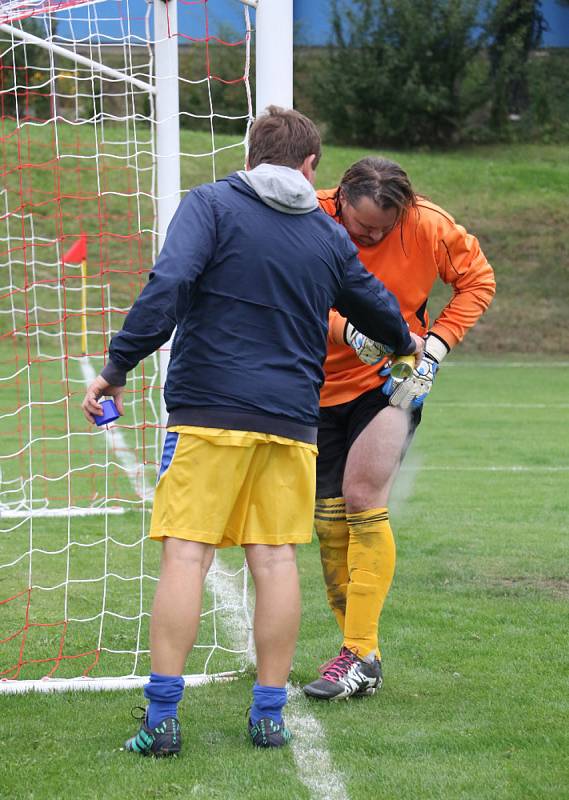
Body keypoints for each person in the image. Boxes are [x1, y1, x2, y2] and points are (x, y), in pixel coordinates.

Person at [81, 112, 423, 755]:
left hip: (208, 414)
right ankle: (268, 715)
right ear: (309, 166)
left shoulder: (209, 204)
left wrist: (117, 366)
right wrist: (407, 344)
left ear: (252, 154)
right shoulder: (327, 235)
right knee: (275, 561)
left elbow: (169, 286)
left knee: (187, 554)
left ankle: (161, 721)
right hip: (292, 424)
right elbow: (376, 304)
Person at [303, 156, 496, 701]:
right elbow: (287, 290)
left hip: (390, 385)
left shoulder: (429, 224)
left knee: (364, 498)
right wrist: (348, 333)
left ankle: (358, 652)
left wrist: (433, 349)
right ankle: (360, 656)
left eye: (384, 230)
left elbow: (478, 280)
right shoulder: (310, 216)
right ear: (339, 199)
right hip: (315, 389)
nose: (373, 237)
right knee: (330, 524)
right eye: (363, 228)